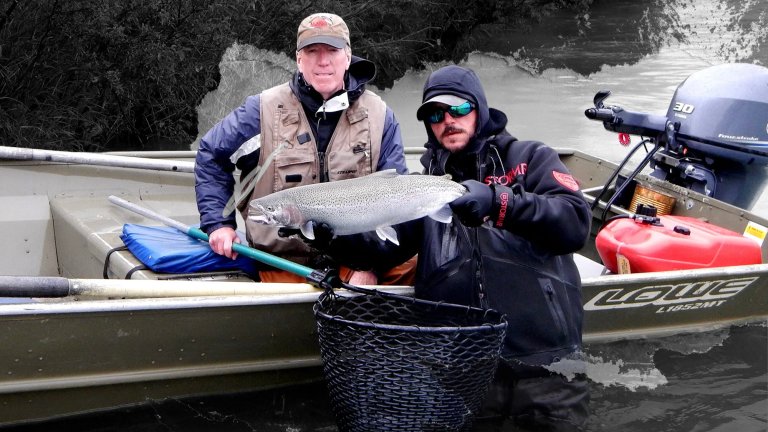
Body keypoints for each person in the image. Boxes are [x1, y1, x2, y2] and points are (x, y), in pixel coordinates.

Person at [339, 65, 592, 430]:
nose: (448, 121)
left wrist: (497, 200)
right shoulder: (422, 188)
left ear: (480, 110)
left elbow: (574, 224)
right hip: (463, 370)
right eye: (435, 115)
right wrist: (328, 232)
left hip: (546, 367)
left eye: (458, 109)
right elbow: (378, 249)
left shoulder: (531, 158)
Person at [194, 12, 415, 285]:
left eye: (332, 51)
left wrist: (369, 263)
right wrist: (219, 224)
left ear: (347, 56)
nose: (323, 61)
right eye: (312, 51)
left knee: (416, 264)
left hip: (355, 255)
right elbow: (211, 155)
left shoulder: (380, 115)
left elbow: (396, 195)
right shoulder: (260, 111)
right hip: (284, 262)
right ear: (299, 59)